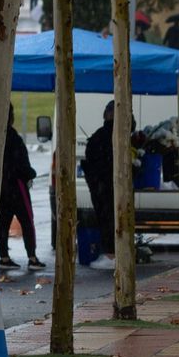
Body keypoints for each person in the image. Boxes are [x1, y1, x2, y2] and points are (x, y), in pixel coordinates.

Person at [0, 107, 43, 272]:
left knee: (3, 222)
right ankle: (32, 257)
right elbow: (21, 164)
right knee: (27, 221)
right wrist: (30, 173)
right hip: (17, 185)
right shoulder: (14, 138)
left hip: (2, 186)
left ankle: (4, 256)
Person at [83, 101, 117, 271]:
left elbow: (91, 161)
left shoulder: (99, 136)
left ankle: (110, 253)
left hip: (102, 185)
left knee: (106, 219)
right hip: (110, 184)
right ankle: (113, 252)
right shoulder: (118, 135)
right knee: (113, 218)